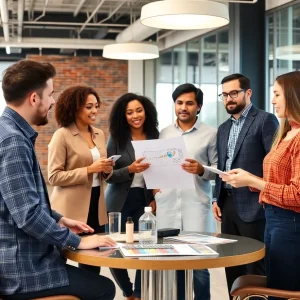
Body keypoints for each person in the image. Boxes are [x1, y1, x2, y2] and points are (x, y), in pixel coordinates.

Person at [0, 60, 116, 300]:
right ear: (34, 98)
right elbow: (28, 215)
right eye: (50, 95)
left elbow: (22, 203)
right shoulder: (14, 141)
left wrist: (60, 219)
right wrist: (75, 241)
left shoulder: (10, 132)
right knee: (105, 288)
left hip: (20, 260)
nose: (53, 101)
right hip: (23, 269)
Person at [221, 71, 300, 299]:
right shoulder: (287, 132)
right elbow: (274, 181)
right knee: (277, 284)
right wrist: (247, 179)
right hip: (274, 219)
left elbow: (296, 195)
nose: (273, 100)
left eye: (277, 94)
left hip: (289, 224)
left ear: (294, 95)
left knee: (284, 291)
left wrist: (252, 181)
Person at [212, 73, 279, 297]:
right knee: (231, 264)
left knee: (255, 267)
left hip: (254, 204)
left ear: (247, 93)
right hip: (227, 204)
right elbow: (221, 165)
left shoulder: (265, 120)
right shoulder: (222, 128)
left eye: (233, 93)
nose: (228, 99)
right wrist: (215, 198)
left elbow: (273, 163)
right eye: (224, 95)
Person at [155, 83, 218, 300]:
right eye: (179, 103)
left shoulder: (210, 134)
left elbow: (217, 172)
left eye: (189, 103)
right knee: (175, 264)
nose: (184, 107)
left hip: (196, 207)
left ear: (198, 107)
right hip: (168, 207)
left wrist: (201, 169)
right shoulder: (164, 133)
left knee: (200, 267)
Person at [48, 86, 113, 274]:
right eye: (88, 107)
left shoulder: (99, 134)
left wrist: (107, 169)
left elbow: (102, 171)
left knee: (93, 261)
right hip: (69, 210)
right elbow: (54, 176)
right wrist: (89, 170)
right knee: (60, 261)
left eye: (96, 106)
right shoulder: (62, 135)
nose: (94, 111)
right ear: (75, 108)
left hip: (96, 204)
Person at [105, 92, 159, 300]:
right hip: (119, 201)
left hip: (144, 202)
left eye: (139, 110)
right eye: (129, 112)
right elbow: (108, 176)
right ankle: (128, 292)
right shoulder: (116, 138)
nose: (135, 115)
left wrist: (155, 196)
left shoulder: (155, 136)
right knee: (117, 248)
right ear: (123, 115)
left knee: (145, 248)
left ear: (146, 111)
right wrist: (130, 169)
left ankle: (139, 292)